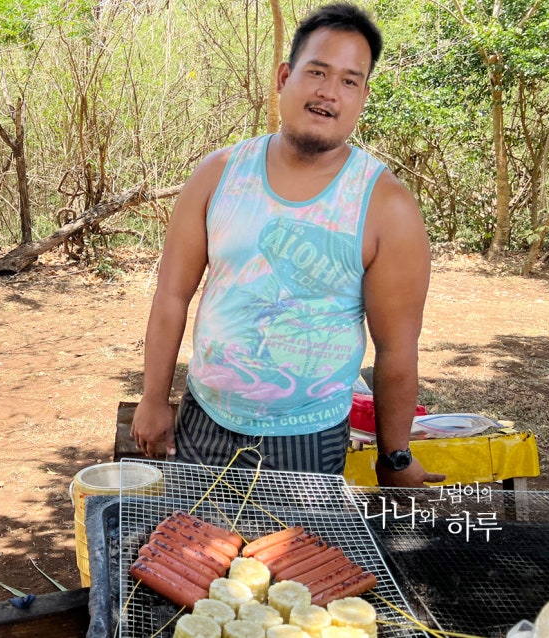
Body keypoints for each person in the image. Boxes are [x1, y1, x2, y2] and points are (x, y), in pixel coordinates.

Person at [130, 2, 445, 488]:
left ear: (362, 96)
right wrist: (154, 398)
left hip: (309, 436)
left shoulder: (387, 207)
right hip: (203, 419)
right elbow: (172, 295)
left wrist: (396, 456)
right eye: (317, 71)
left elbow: (396, 348)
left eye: (349, 80)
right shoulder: (219, 174)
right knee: (195, 559)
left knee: (290, 565)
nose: (328, 92)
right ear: (284, 76)